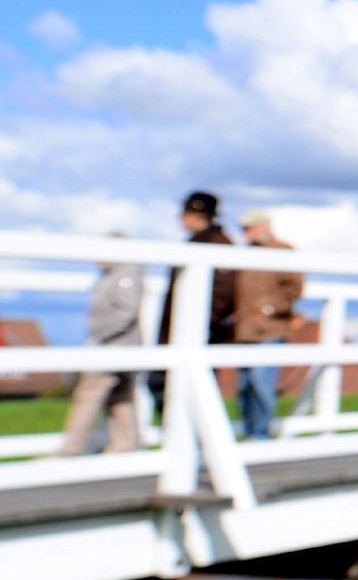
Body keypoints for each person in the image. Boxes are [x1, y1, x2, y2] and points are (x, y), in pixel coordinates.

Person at [57, 241, 144, 455]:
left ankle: (71, 447)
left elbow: (126, 311)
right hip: (117, 347)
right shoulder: (115, 275)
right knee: (120, 397)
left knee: (89, 393)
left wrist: (98, 335)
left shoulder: (124, 276)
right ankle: (126, 445)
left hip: (113, 347)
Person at [150, 192, 236, 405]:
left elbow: (222, 291)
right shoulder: (198, 242)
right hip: (180, 326)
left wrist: (204, 323)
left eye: (185, 212)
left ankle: (192, 437)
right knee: (167, 383)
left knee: (179, 386)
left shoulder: (217, 244)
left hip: (196, 329)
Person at [233, 211, 303, 440]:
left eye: (248, 228)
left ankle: (260, 435)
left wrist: (270, 307)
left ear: (262, 227)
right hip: (244, 331)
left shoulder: (282, 251)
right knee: (244, 386)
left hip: (269, 329)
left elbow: (294, 289)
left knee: (261, 382)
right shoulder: (245, 255)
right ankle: (249, 432)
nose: (245, 233)